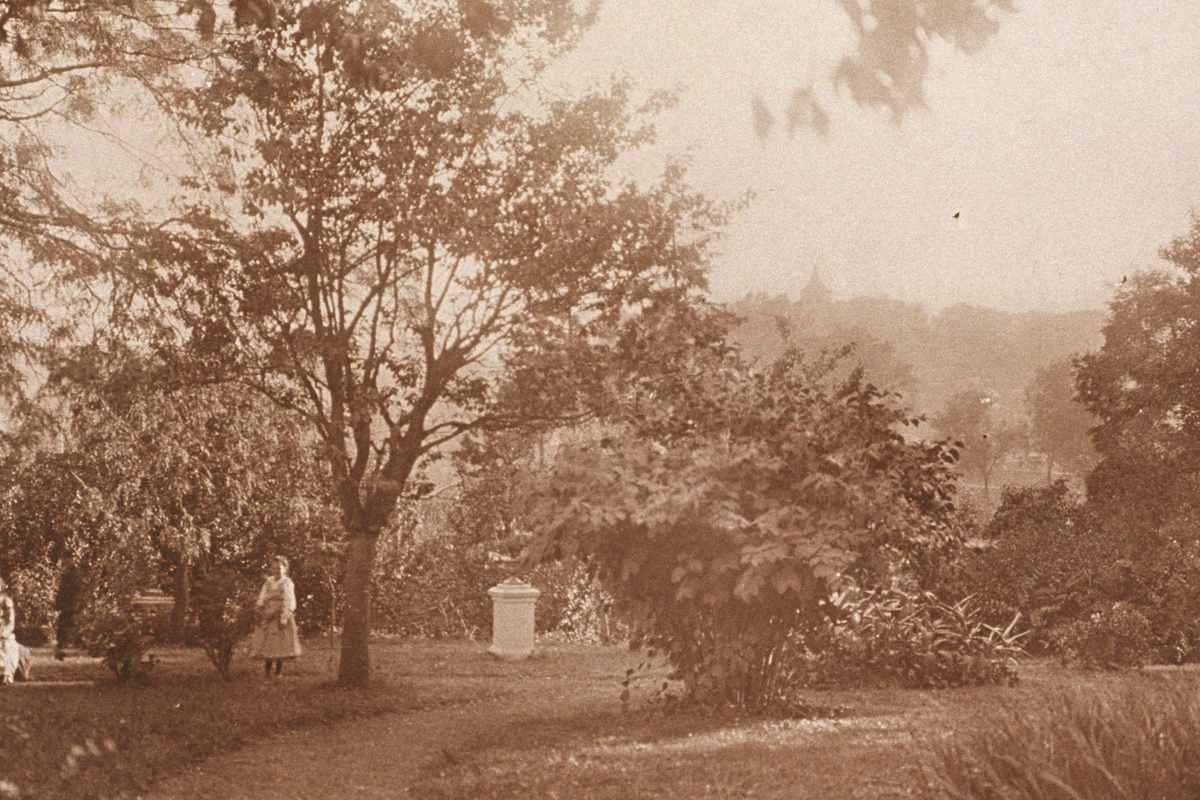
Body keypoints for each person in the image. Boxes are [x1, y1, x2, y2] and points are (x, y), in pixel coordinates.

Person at [250, 556, 301, 677]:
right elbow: (263, 595)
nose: (276, 570)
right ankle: (267, 671)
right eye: (274, 568)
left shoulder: (287, 582)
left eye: (279, 568)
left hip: (279, 614)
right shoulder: (269, 581)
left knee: (280, 643)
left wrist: (284, 616)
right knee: (268, 642)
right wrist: (259, 606)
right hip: (268, 613)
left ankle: (278, 672)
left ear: (285, 568)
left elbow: (290, 600)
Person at [0, 579, 30, 683]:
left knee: (6, 646)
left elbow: (10, 622)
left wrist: (3, 632)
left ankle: (6, 674)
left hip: (3, 632)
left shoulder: (6, 601)